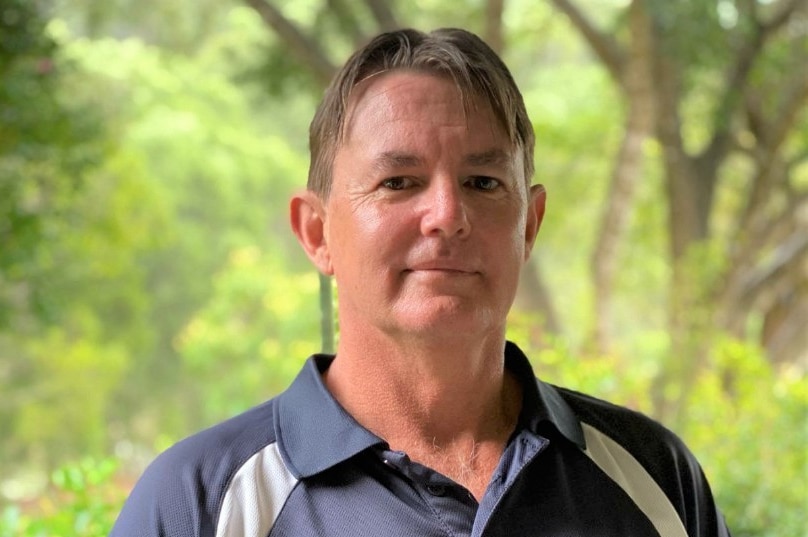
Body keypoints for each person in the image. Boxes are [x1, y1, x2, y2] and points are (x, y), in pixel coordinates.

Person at [110, 28, 731, 537]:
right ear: (317, 232)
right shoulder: (201, 503)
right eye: (398, 182)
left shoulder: (652, 476)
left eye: (483, 183)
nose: (447, 216)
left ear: (529, 224)